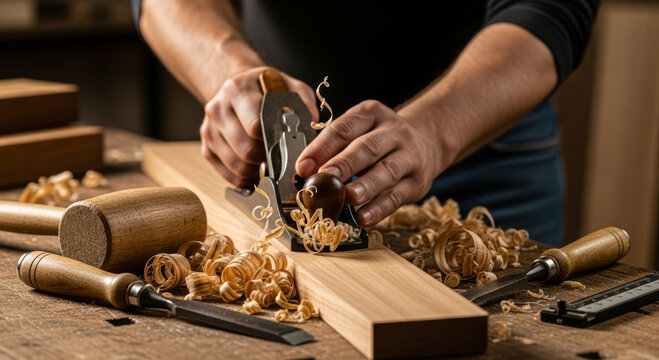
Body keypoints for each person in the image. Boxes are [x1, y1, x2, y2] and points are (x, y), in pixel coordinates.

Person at [129, 0, 598, 246]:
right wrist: (228, 71)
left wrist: (434, 131)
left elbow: (549, 11)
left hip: (482, 149)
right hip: (285, 141)